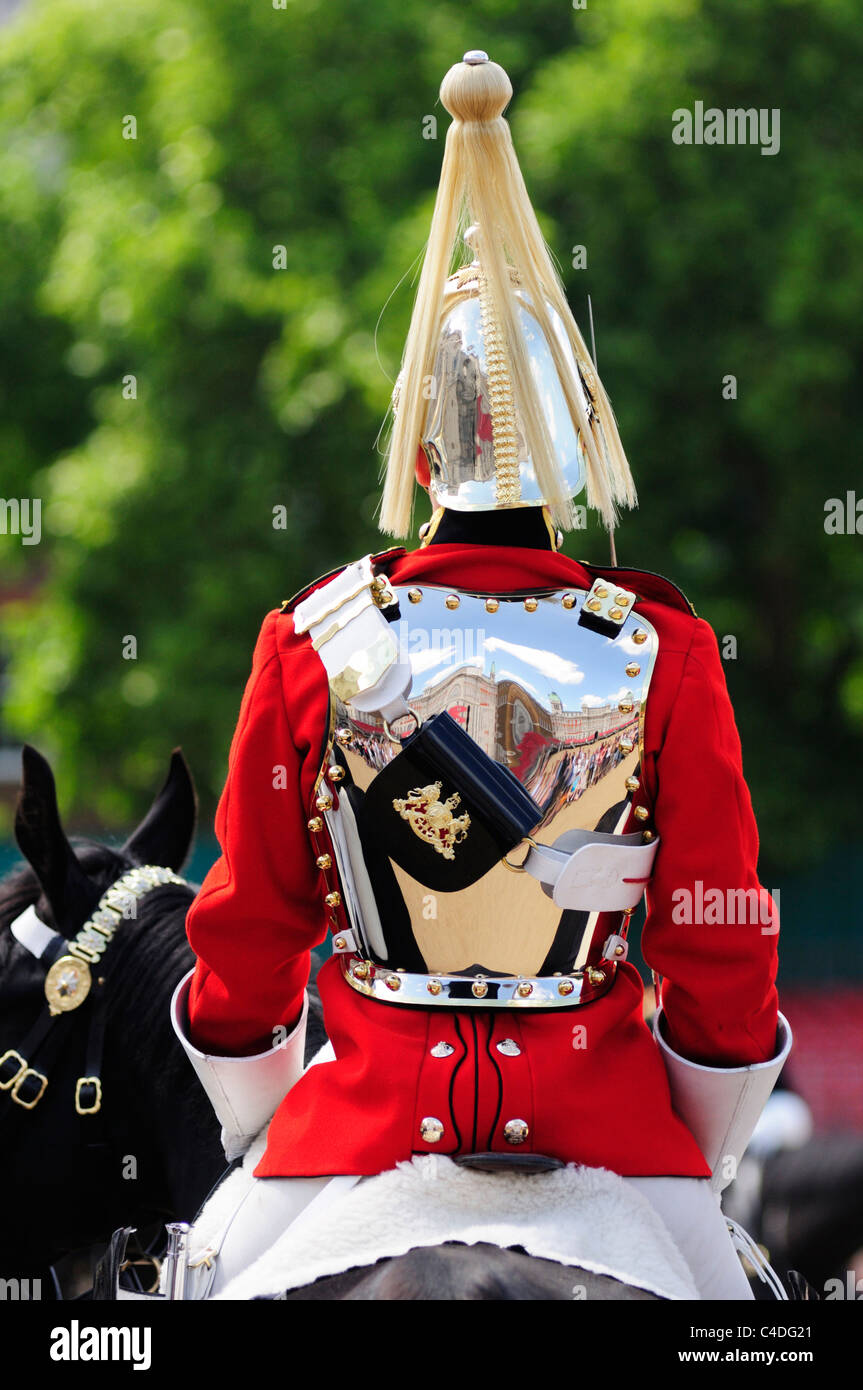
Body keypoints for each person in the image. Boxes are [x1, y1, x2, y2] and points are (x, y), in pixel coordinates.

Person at [171, 52, 789, 1300]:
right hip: (607, 1130)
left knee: (168, 1293)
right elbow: (719, 945)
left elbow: (244, 933)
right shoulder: (660, 650)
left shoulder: (310, 641)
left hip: (352, 1127)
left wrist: (250, 1109)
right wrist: (700, 1149)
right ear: (574, 438)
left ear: (422, 438)